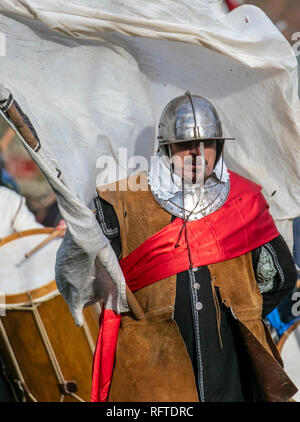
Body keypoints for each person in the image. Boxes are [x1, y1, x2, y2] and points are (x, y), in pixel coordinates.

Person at [92, 92, 298, 402]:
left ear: (219, 146)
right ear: (167, 148)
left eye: (207, 144)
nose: (197, 153)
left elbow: (278, 277)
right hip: (153, 364)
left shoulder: (244, 200)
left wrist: (242, 313)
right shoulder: (121, 204)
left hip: (231, 364)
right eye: (186, 145)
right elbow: (94, 285)